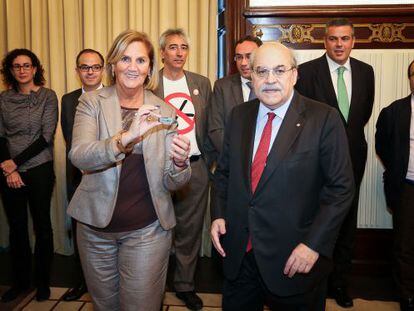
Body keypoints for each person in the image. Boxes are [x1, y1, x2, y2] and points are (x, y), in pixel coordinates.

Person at [211, 42, 355, 311]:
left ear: (294, 74)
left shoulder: (324, 118)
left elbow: (341, 189)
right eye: (261, 71)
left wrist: (313, 245)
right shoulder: (239, 116)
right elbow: (225, 174)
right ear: (251, 76)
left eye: (279, 70)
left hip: (295, 258)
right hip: (239, 254)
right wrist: (218, 213)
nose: (270, 80)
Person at [67, 30, 191, 311]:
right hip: (95, 231)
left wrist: (181, 164)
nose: (133, 67)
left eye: (141, 60)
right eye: (125, 58)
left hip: (147, 231)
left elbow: (174, 181)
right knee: (104, 306)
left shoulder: (163, 111)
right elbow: (80, 156)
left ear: (150, 68)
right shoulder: (91, 103)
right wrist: (126, 138)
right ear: (113, 64)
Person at [294, 17, 375, 308]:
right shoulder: (306, 72)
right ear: (324, 41)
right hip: (316, 161)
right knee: (317, 219)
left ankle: (340, 284)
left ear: (353, 41)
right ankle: (316, 282)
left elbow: (360, 117)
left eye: (344, 39)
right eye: (333, 39)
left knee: (347, 221)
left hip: (353, 158)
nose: (339, 44)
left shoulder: (367, 72)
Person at [153, 28, 212, 311]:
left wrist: (210, 162)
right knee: (157, 227)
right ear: (162, 52)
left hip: (195, 167)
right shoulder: (150, 84)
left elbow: (210, 124)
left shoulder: (201, 83)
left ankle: (185, 286)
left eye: (184, 47)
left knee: (189, 230)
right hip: (158, 170)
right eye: (173, 47)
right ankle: (154, 283)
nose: (179, 52)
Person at [0, 49, 58, 302]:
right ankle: (21, 283)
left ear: (35, 69)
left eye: (27, 65)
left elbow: (46, 137)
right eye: (16, 66)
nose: (22, 70)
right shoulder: (2, 99)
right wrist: (7, 166)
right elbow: (0, 136)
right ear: (10, 71)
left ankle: (43, 282)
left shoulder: (47, 96)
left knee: (42, 226)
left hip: (39, 169)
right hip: (8, 172)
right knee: (17, 228)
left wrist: (15, 163)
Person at [60, 48, 104, 301]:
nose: (90, 72)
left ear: (103, 69)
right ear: (77, 71)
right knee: (81, 233)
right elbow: (70, 139)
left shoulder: (113, 96)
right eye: (84, 67)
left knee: (106, 232)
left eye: (95, 67)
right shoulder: (68, 100)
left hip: (110, 174)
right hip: (78, 177)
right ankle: (81, 282)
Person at [375, 60, 414, 311]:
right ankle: (407, 295)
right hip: (407, 186)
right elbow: (383, 147)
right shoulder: (392, 112)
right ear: (409, 78)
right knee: (405, 244)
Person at [208, 35, 262, 156]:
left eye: (249, 56)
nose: (243, 63)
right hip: (232, 160)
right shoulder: (223, 87)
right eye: (239, 57)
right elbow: (215, 130)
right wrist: (237, 156)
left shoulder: (270, 86)